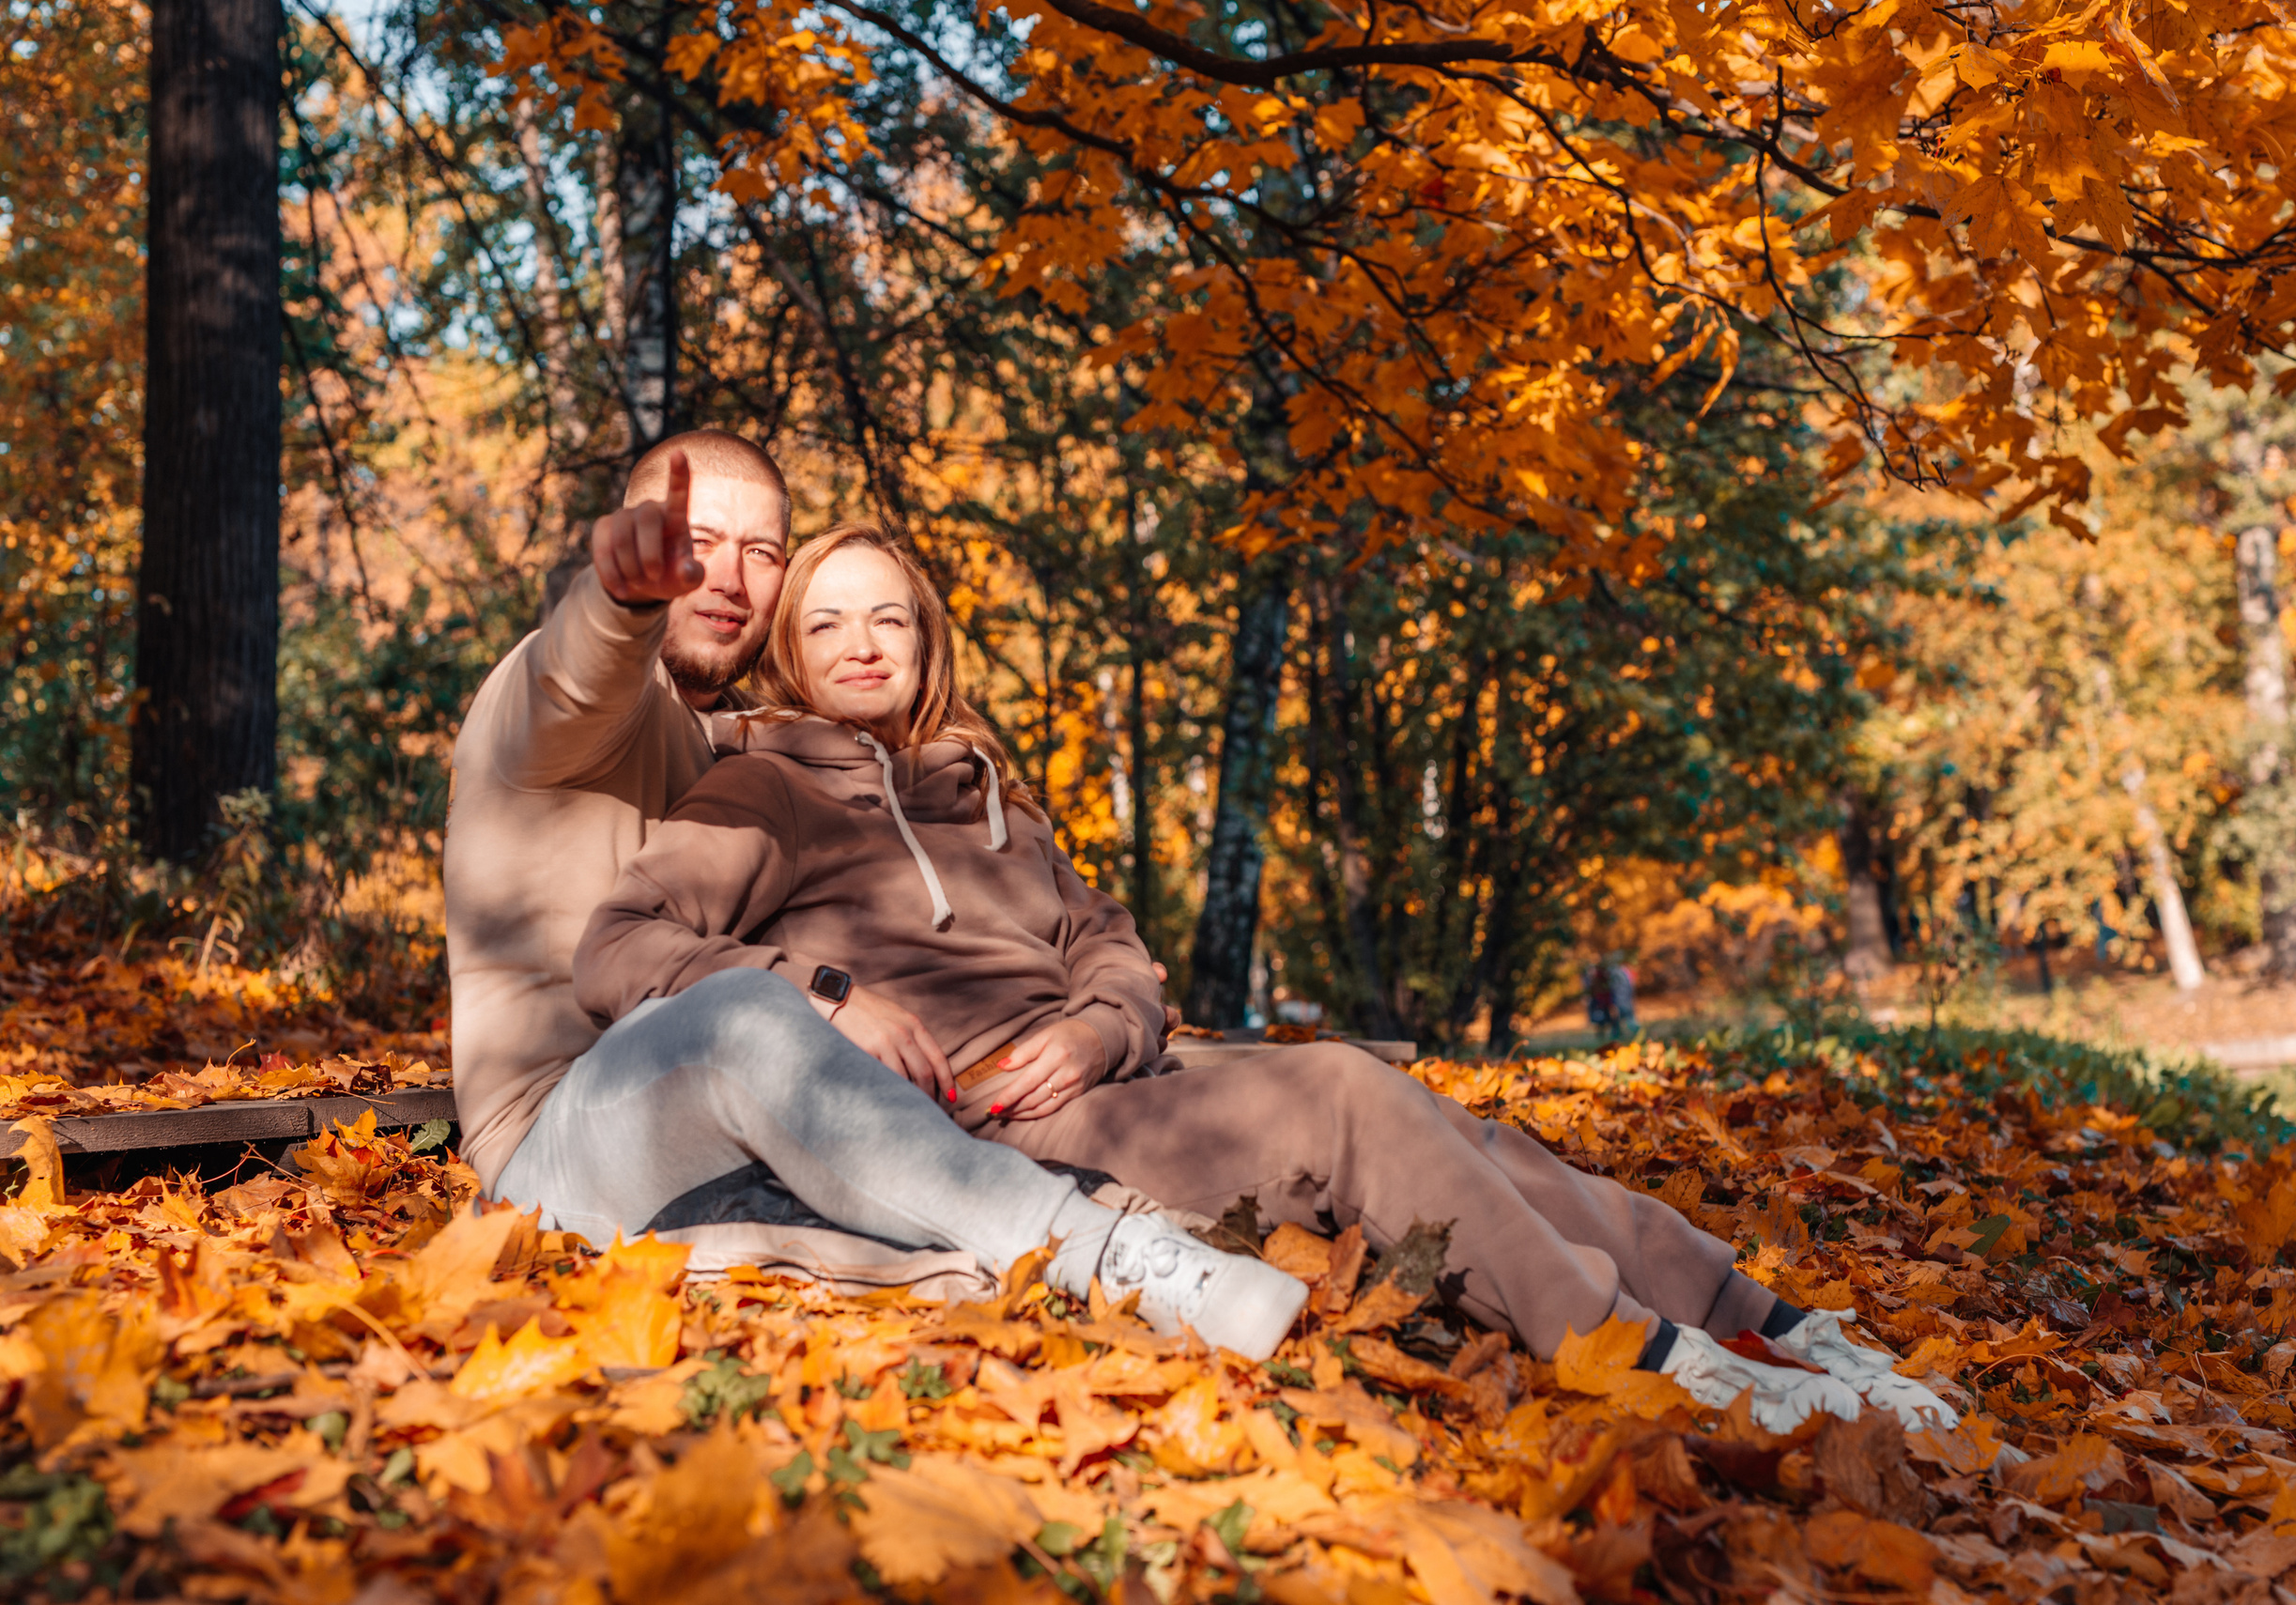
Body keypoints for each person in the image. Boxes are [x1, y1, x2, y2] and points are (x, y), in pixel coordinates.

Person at [574, 522, 1957, 1430]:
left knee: (1461, 1133)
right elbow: (619, 948)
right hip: (996, 1129)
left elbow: (1115, 949)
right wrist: (824, 994)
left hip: (1113, 1083)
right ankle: (1635, 1355)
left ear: (928, 638)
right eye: (828, 626)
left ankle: (1758, 1321)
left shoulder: (986, 794)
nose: (864, 644)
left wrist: (1111, 1020)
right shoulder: (759, 786)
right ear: (793, 657)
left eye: (890, 618)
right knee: (1351, 1095)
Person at [445, 431, 1306, 1360]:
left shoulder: (733, 746)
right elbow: (578, 676)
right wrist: (617, 602)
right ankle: (1114, 1251)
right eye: (697, 542)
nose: (730, 576)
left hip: (736, 1127)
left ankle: (1128, 1231)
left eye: (762, 552)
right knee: (747, 1009)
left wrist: (1093, 996)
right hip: (567, 1136)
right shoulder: (562, 704)